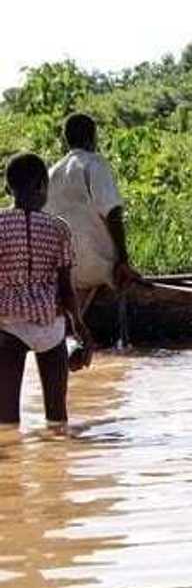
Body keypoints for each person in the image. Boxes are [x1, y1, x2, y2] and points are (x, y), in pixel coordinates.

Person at [0, 153, 94, 425]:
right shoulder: (58, 228)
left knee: (6, 422)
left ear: (8, 188)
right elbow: (66, 287)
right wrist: (79, 326)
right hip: (51, 326)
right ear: (43, 186)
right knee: (57, 418)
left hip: (8, 327)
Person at [45, 113, 140, 311]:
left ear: (66, 140)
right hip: (97, 267)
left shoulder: (51, 172)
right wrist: (123, 260)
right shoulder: (95, 163)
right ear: (92, 137)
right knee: (122, 273)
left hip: (62, 271)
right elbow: (112, 212)